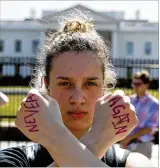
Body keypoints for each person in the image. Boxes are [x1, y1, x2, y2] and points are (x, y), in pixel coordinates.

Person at [0, 10, 151, 167]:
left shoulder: (133, 162)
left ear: (104, 87)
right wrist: (97, 142)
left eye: (90, 83)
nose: (78, 99)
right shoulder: (12, 161)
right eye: (65, 84)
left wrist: (55, 138)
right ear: (47, 86)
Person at [120, 70, 159, 159]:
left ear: (147, 85)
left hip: (142, 146)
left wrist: (128, 138)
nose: (135, 87)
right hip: (125, 144)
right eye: (134, 84)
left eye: (138, 84)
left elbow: (149, 129)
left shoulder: (155, 104)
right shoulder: (129, 100)